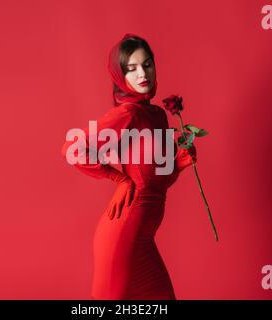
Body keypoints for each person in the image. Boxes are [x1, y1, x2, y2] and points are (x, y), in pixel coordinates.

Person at [61, 33, 197, 300]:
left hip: (145, 239)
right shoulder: (128, 113)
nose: (141, 74)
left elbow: (155, 179)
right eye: (131, 68)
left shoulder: (157, 115)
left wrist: (179, 164)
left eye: (147, 64)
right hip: (122, 237)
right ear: (119, 75)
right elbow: (72, 149)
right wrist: (119, 179)